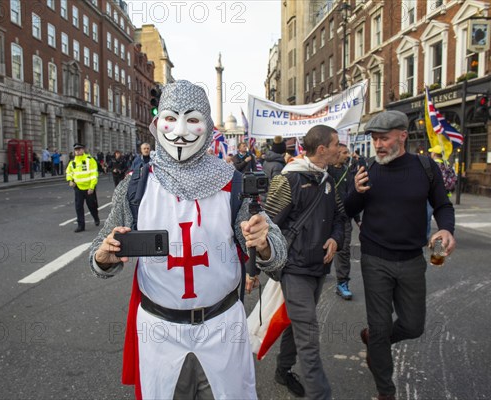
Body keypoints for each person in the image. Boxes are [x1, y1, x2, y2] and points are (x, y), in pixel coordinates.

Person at [88, 80, 287, 399]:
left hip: (222, 329)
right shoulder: (135, 187)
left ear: (208, 127)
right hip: (160, 332)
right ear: (156, 125)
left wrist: (263, 242)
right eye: (171, 118)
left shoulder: (233, 184)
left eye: (192, 120)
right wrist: (104, 255)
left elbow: (276, 257)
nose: (180, 132)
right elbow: (99, 254)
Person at [344, 110, 456, 400]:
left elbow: (443, 205)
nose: (378, 145)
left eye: (384, 139)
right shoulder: (366, 168)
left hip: (411, 260)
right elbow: (347, 210)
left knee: (413, 325)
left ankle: (374, 340)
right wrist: (356, 192)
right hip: (375, 259)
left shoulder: (425, 167)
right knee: (381, 328)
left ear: (402, 136)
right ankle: (386, 391)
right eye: (375, 139)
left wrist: (446, 230)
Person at [264, 125, 346, 399]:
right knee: (308, 336)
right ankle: (320, 394)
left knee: (297, 323)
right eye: (336, 144)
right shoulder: (288, 180)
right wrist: (255, 269)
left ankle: (283, 370)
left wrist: (335, 238)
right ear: (322, 149)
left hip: (319, 268)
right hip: (294, 269)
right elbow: (266, 225)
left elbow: (339, 217)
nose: (340, 148)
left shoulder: (328, 179)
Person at [328, 143, 361, 300]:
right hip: (325, 217)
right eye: (344, 152)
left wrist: (358, 219)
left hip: (344, 218)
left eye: (347, 152)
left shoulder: (348, 172)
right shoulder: (326, 171)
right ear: (336, 153)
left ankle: (342, 283)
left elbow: (351, 197)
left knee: (343, 251)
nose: (347, 155)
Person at [66, 143, 100, 233]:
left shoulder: (90, 160)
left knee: (92, 205)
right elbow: (69, 172)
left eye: (79, 149)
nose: (77, 151)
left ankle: (96, 217)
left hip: (89, 187)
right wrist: (70, 180)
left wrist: (92, 187)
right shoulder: (72, 162)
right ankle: (81, 226)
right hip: (78, 187)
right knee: (78, 207)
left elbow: (94, 174)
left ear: (83, 150)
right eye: (76, 150)